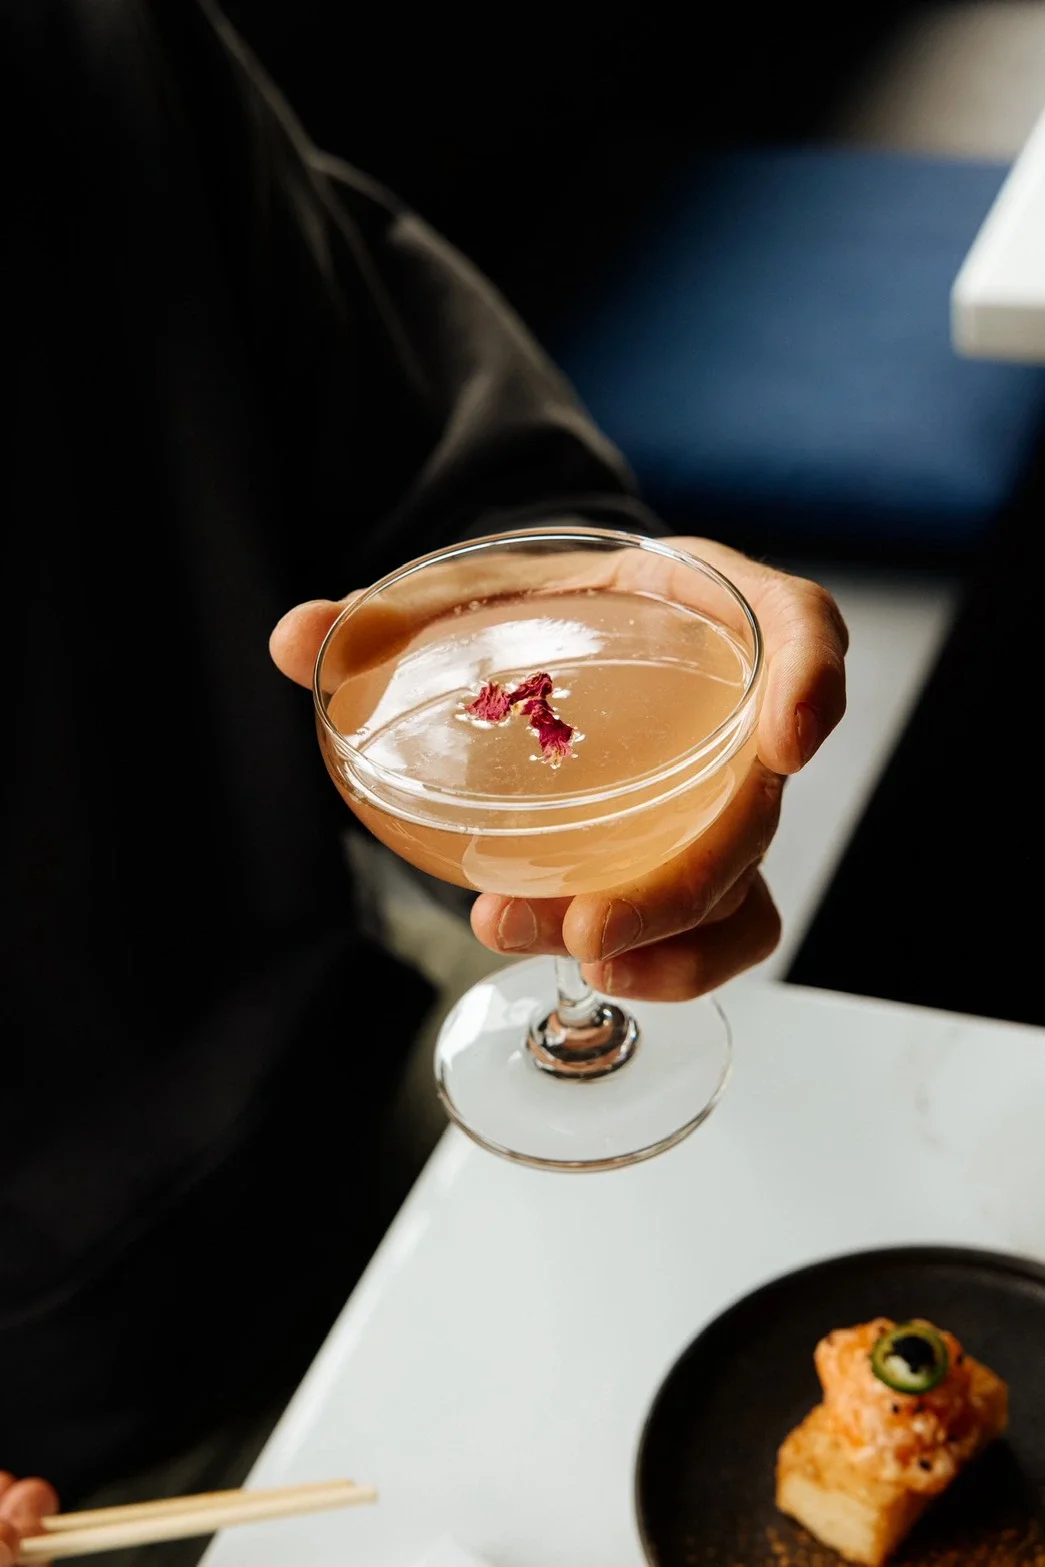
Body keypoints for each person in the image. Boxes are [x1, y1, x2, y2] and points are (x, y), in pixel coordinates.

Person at [2, 0, 848, 1533]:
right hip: (57, 1429)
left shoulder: (100, 45)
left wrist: (622, 623)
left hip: (374, 1096)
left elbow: (440, 513)